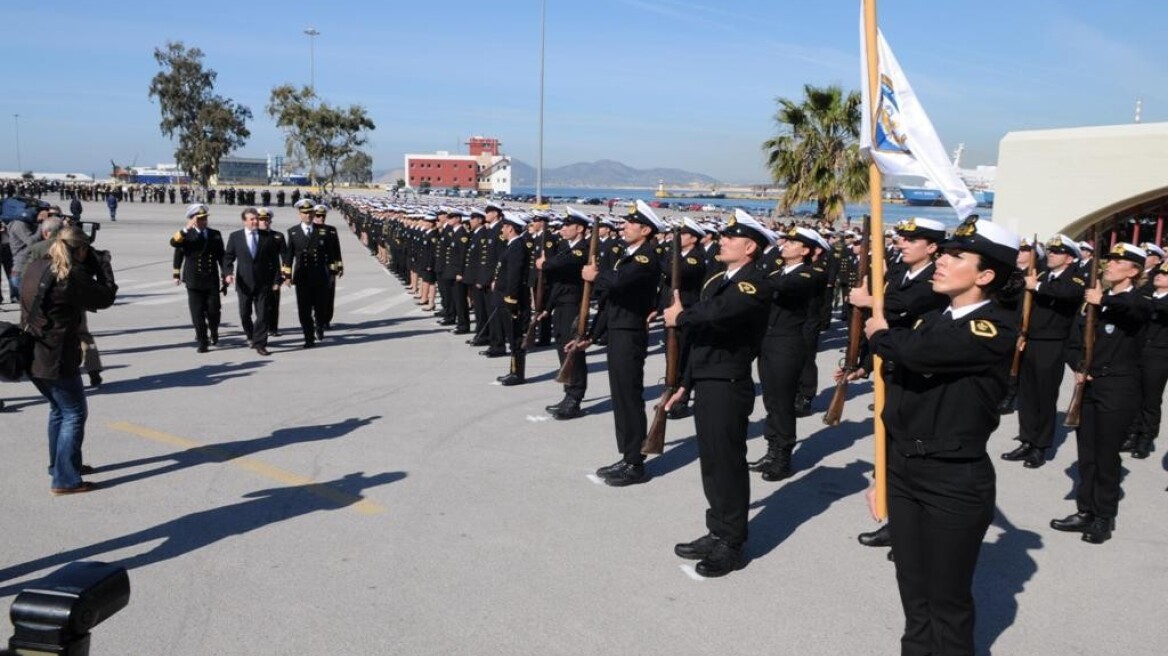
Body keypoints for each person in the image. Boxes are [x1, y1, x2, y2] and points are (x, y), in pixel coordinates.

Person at [865, 215, 1020, 656]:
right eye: (945, 253)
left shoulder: (993, 326)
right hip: (905, 470)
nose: (943, 262)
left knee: (947, 600)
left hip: (953, 479)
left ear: (985, 275)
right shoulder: (930, 319)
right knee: (912, 590)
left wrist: (880, 334)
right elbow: (898, 405)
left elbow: (921, 353)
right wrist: (883, 472)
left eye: (956, 256)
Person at [662, 211, 771, 578]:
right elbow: (699, 340)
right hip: (707, 380)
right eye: (722, 236)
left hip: (728, 383)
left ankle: (733, 543)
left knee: (727, 464)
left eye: (730, 238)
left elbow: (719, 315)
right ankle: (718, 529)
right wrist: (684, 384)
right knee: (711, 463)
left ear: (750, 247)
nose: (721, 241)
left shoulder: (751, 284)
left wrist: (682, 315)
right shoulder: (719, 281)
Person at [1051, 242, 1151, 545]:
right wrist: (1078, 366)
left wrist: (1103, 298)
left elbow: (1134, 309)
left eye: (1118, 262)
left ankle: (1103, 516)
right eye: (1109, 260)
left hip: (1118, 387)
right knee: (1087, 453)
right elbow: (1073, 341)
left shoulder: (1138, 299)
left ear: (1133, 270)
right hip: (1089, 384)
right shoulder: (1091, 301)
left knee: (1107, 455)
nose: (1109, 265)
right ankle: (1085, 510)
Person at [21, 226, 118, 495]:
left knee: (58, 411)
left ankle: (61, 466)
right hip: (57, 356)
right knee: (74, 414)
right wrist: (104, 267)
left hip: (33, 351)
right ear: (80, 250)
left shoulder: (37, 266)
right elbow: (106, 296)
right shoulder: (70, 276)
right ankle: (65, 479)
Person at [579, 200, 664, 487]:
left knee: (629, 397)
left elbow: (617, 284)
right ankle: (628, 454)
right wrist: (591, 334)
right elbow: (609, 300)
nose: (624, 227)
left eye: (630, 224)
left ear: (646, 229)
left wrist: (596, 275)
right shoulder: (627, 255)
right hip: (617, 329)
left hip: (629, 333)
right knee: (620, 397)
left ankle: (635, 463)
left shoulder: (645, 257)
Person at [1002, 235, 1085, 468]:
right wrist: (1020, 332)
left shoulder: (1075, 278)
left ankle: (1041, 446)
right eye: (1050, 251)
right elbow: (1021, 305)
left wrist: (1036, 286)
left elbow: (1067, 293)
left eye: (1058, 252)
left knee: (1044, 396)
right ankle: (1027, 439)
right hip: (1031, 340)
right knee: (1026, 395)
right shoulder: (1040, 275)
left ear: (1069, 258)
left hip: (1053, 343)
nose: (1051, 255)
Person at [536, 207, 590, 418]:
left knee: (573, 352)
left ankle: (575, 398)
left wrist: (545, 263)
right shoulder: (566, 248)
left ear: (580, 228)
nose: (563, 229)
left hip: (573, 306)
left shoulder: (582, 249)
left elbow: (565, 264)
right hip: (560, 305)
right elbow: (556, 284)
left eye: (568, 226)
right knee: (562, 349)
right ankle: (568, 393)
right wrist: (546, 308)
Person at [223, 207, 283, 356]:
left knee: (263, 314)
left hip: (264, 283)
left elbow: (274, 260)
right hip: (244, 283)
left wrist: (277, 279)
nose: (256, 221)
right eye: (252, 219)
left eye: (257, 218)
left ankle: (260, 343)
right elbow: (228, 257)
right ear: (244, 221)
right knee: (245, 313)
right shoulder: (235, 237)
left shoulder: (266, 236)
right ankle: (250, 335)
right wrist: (228, 273)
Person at [170, 203, 225, 353]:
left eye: (205, 218)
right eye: (200, 219)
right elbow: (175, 247)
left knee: (214, 311)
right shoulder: (185, 235)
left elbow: (221, 256)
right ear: (192, 219)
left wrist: (225, 274)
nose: (203, 221)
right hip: (193, 279)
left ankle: (214, 330)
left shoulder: (215, 234)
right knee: (197, 313)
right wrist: (176, 274)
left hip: (211, 279)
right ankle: (203, 340)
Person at [1127, 260, 1168, 458]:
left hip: (1159, 355)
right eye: (1159, 272)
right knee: (1135, 395)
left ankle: (1146, 438)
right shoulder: (1148, 294)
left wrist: (1145, 303)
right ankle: (1133, 433)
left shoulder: (1157, 301)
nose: (1159, 275)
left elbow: (1159, 307)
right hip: (1139, 351)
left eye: (1165, 274)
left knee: (1151, 399)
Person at [284, 200, 331, 348]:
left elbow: (330, 253)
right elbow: (289, 256)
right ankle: (308, 337)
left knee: (320, 307)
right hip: (302, 277)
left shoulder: (322, 230)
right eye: (305, 213)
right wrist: (287, 275)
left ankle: (319, 325)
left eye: (310, 212)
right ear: (300, 214)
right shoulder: (293, 232)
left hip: (319, 276)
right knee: (304, 310)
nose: (308, 215)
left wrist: (332, 271)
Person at [494, 212, 532, 386]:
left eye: (504, 226)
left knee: (516, 338)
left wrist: (511, 298)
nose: (502, 229)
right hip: (506, 296)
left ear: (510, 228)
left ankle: (518, 374)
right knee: (512, 337)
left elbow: (514, 276)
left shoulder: (517, 246)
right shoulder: (512, 245)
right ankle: (513, 370)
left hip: (513, 299)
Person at [257, 208, 287, 337]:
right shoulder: (254, 235)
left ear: (270, 221)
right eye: (261, 220)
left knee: (274, 303)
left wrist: (283, 276)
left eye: (266, 220)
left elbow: (284, 256)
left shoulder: (278, 236)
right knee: (261, 305)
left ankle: (273, 328)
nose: (264, 222)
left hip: (274, 274)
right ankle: (262, 326)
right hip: (258, 275)